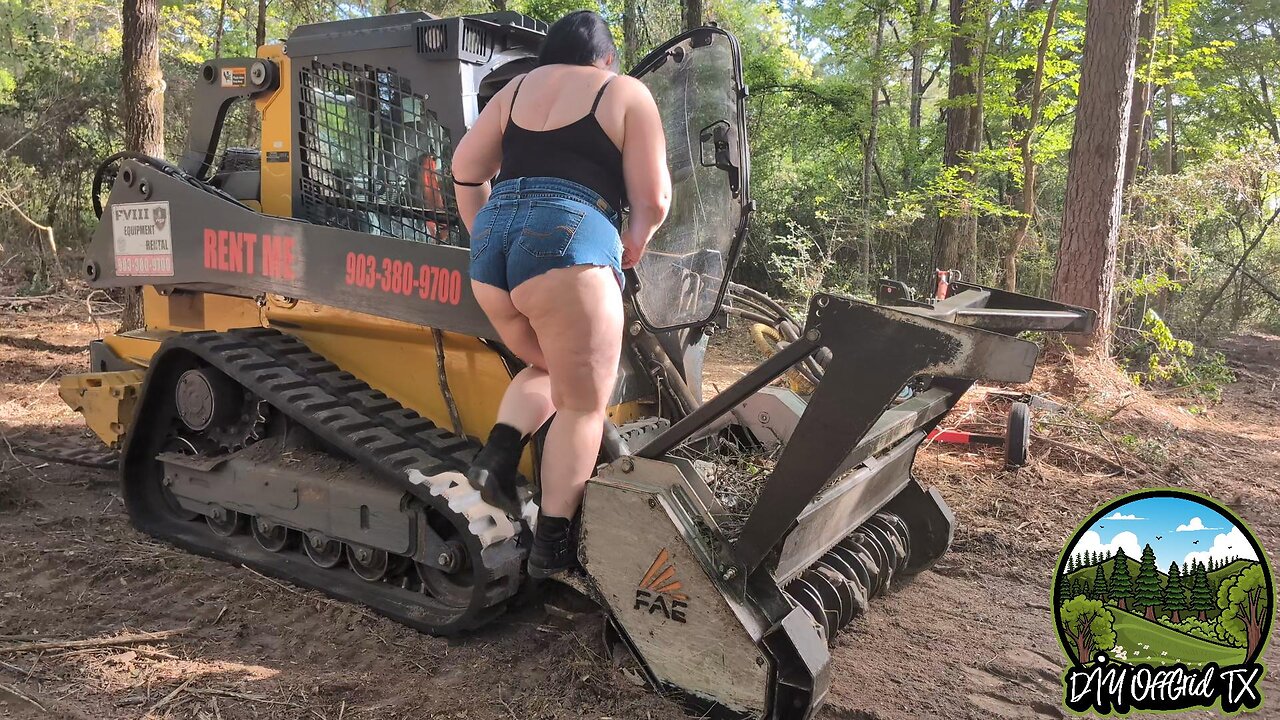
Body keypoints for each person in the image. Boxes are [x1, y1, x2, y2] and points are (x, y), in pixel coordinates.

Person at [451, 10, 671, 578]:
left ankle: (496, 459)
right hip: (569, 241)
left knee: (553, 369)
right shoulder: (623, 91)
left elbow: (466, 170)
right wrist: (634, 243)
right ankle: (554, 545)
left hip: (494, 253)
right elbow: (654, 199)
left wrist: (487, 235)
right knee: (582, 405)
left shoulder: (518, 88)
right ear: (606, 58)